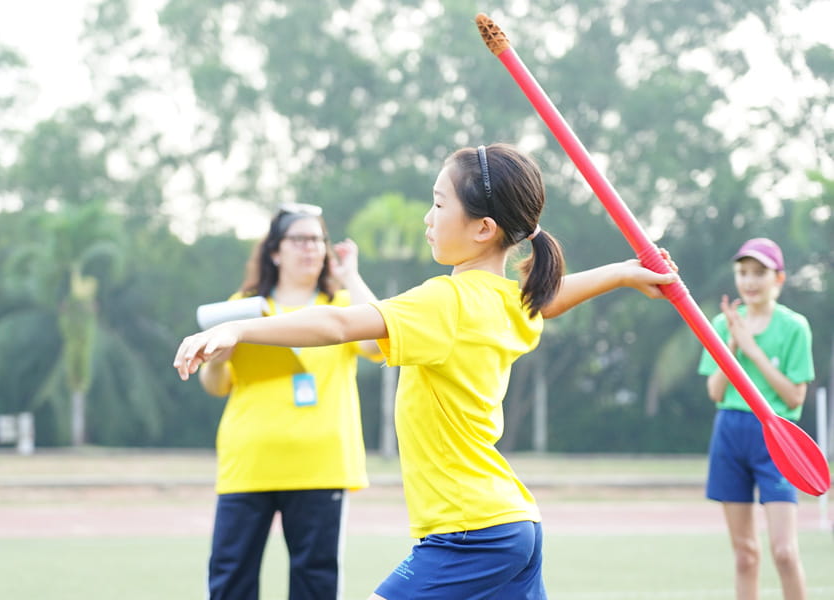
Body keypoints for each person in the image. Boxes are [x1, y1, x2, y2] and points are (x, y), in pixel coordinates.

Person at [175, 143, 678, 600]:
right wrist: (624, 272)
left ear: (484, 228)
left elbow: (339, 323)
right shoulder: (508, 300)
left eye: (439, 204)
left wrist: (241, 330)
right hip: (511, 525)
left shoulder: (445, 301)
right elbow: (549, 298)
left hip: (469, 534)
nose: (427, 218)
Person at [196, 202, 383, 600]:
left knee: (315, 584)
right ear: (275, 251)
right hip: (249, 464)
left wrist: (351, 277)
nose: (310, 248)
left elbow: (377, 344)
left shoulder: (341, 308)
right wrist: (217, 362)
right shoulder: (243, 309)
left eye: (317, 239)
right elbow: (216, 385)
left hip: (321, 466)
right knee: (230, 580)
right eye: (299, 239)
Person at [697, 237, 814, 600]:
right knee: (746, 554)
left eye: (759, 273)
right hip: (730, 434)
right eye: (743, 272)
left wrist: (751, 348)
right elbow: (715, 392)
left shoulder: (795, 327)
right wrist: (732, 343)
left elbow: (794, 395)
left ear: (778, 278)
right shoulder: (722, 323)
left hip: (777, 437)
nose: (749, 281)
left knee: (784, 551)